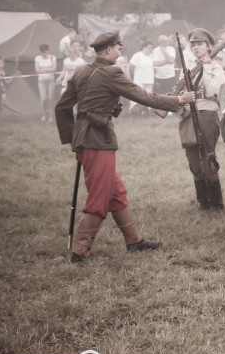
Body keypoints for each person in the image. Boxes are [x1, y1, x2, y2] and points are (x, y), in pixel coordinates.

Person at [55, 30, 196, 262]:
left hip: (84, 141)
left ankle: (134, 241)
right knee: (100, 197)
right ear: (108, 49)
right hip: (99, 142)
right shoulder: (112, 72)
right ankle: (80, 251)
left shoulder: (81, 71)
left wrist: (73, 138)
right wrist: (178, 100)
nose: (121, 54)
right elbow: (143, 96)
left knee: (116, 192)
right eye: (118, 49)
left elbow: (61, 108)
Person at [179, 28, 225, 211]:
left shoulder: (215, 67)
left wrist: (206, 67)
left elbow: (212, 89)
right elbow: (180, 90)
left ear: (208, 47)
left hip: (207, 113)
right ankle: (203, 201)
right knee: (192, 157)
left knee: (207, 156)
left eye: (200, 44)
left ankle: (216, 202)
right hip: (188, 114)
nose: (196, 48)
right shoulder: (188, 66)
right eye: (193, 45)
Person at [127, 41, 155, 116]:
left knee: (149, 97)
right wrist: (133, 75)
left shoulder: (151, 56)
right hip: (139, 80)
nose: (151, 49)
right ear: (144, 47)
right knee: (136, 96)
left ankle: (147, 112)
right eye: (149, 48)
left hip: (149, 80)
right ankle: (133, 111)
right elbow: (131, 65)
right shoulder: (137, 55)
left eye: (152, 48)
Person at [35, 44, 58, 122]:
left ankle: (51, 115)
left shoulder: (53, 57)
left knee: (50, 98)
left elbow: (54, 69)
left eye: (45, 52)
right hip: (41, 80)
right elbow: (37, 70)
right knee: (43, 99)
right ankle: (44, 114)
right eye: (42, 52)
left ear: (48, 50)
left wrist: (43, 70)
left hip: (51, 80)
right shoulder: (37, 58)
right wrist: (48, 69)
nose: (44, 54)